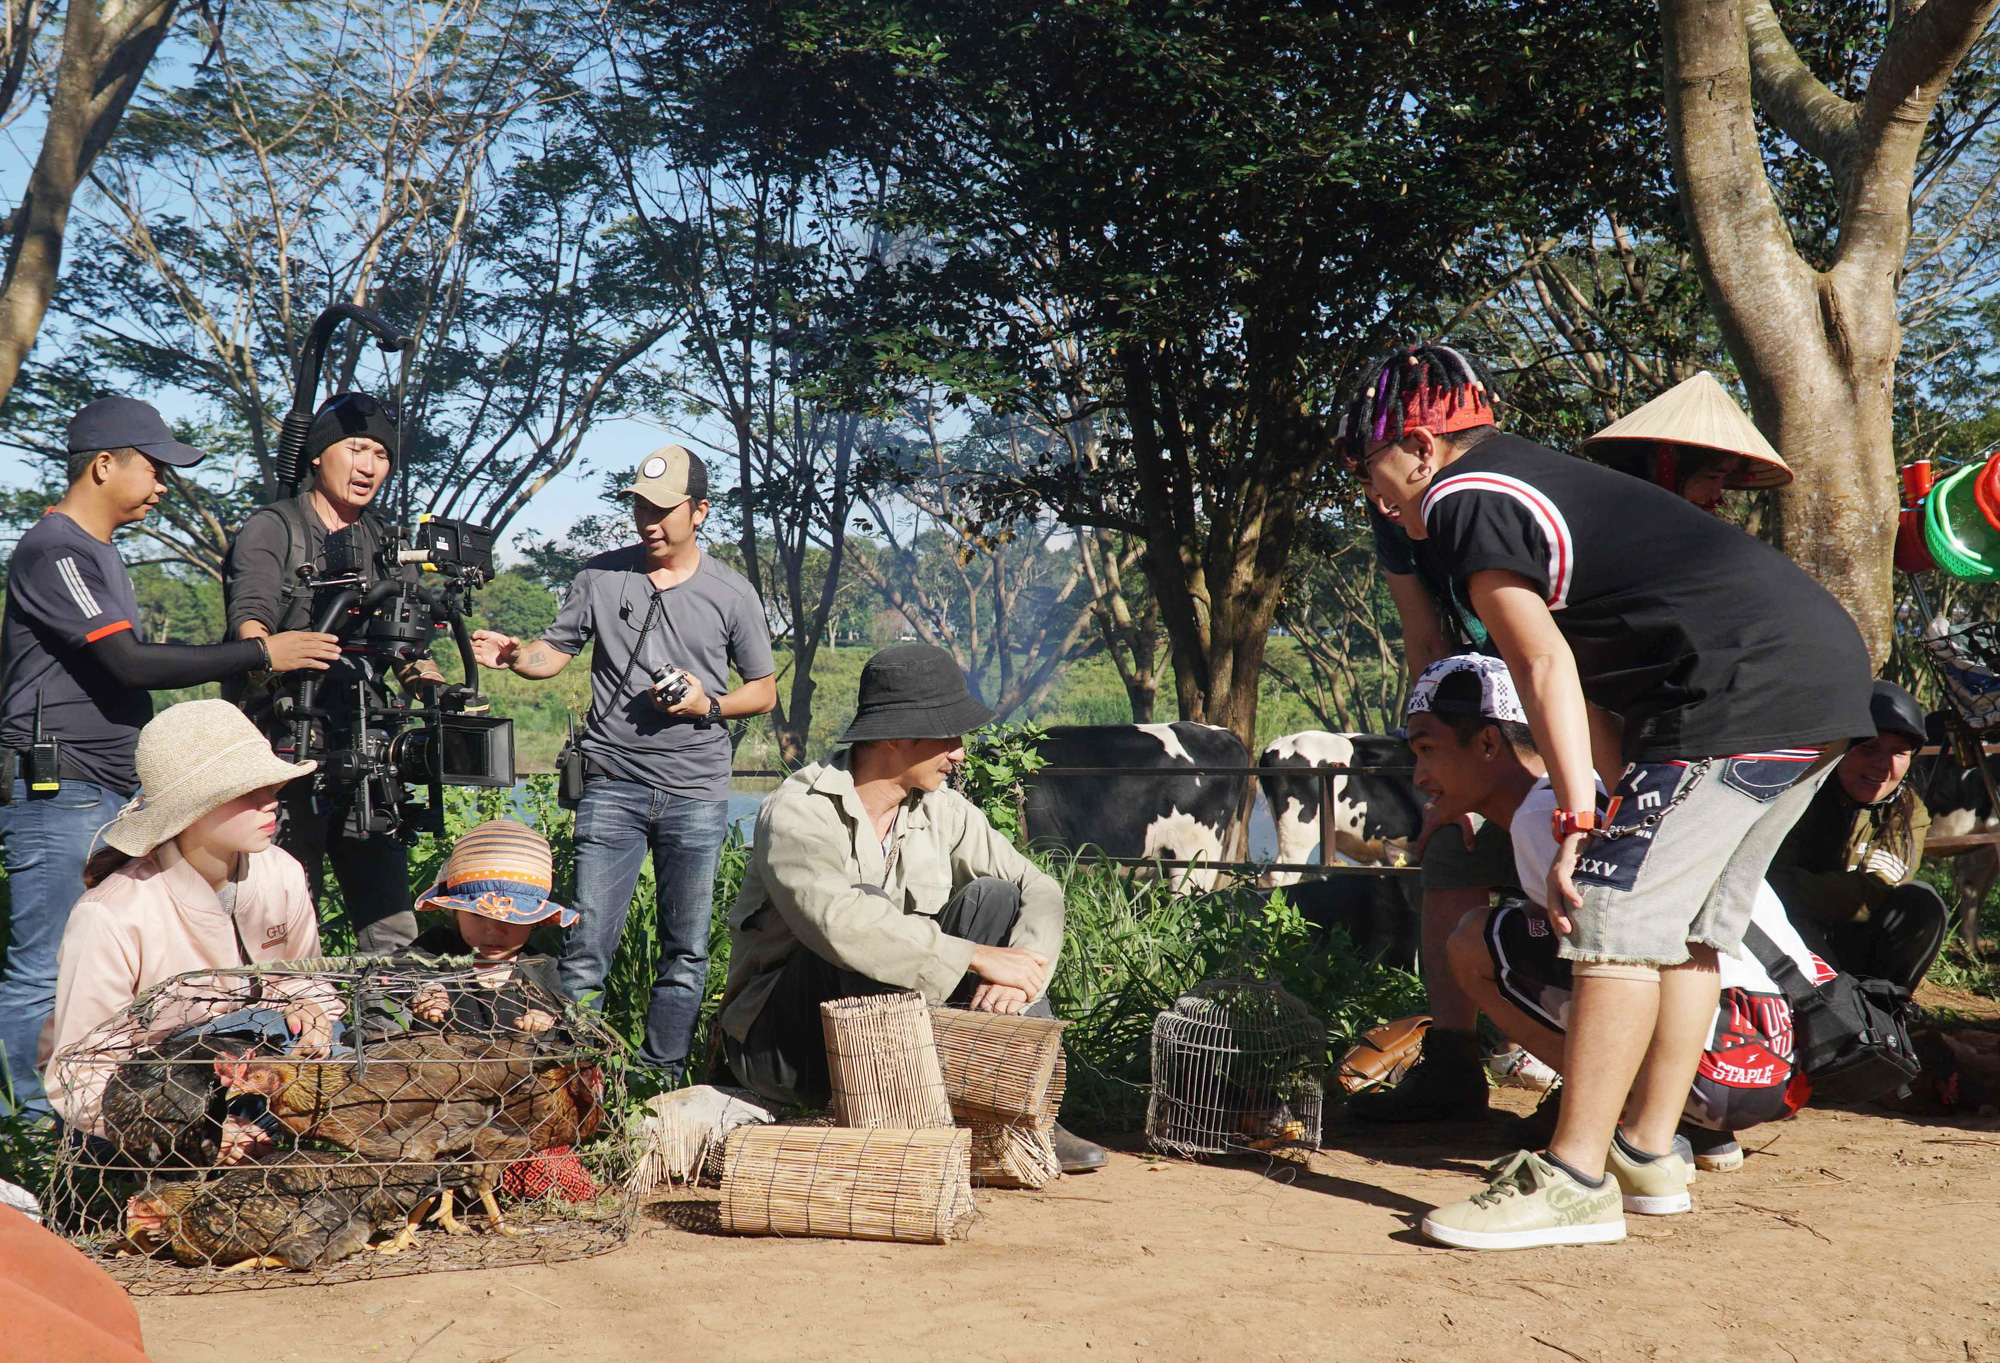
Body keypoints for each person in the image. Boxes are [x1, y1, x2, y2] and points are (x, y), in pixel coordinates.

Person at [1347, 342, 1872, 1250]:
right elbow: (1583, 688)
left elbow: (1538, 663)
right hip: (1810, 683)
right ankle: (1646, 1151)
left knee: (1614, 913)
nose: (1372, 493)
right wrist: (1621, 792)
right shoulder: (1541, 494)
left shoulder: (1463, 497)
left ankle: (1573, 1175)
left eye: (1371, 465)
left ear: (1424, 445)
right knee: (1693, 924)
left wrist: (1580, 815)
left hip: (1740, 693)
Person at [0, 398, 339, 1113]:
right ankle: (36, 1131)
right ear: (103, 464)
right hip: (60, 782)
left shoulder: (98, 554)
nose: (161, 486)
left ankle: (138, 1108)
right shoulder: (54, 548)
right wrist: (260, 650)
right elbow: (127, 661)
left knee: (111, 951)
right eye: (154, 469)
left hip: (108, 784)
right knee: (48, 962)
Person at [1403, 655, 1813, 1196]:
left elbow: (1619, 956)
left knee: (1478, 943)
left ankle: (1636, 1124)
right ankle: (1691, 1124)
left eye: (1427, 750)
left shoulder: (1541, 819)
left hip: (1718, 1056)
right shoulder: (1607, 786)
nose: (1418, 776)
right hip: (1772, 1054)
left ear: (1486, 743)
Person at [720, 642, 1105, 1172]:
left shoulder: (941, 809)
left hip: (892, 1025)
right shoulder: (796, 811)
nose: (960, 752)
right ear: (896, 736)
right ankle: (903, 1112)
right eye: (947, 735)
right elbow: (839, 925)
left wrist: (1020, 971)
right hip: (785, 1047)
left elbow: (1038, 886)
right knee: (867, 910)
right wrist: (974, 956)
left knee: (998, 896)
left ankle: (1027, 1112)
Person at [471, 446, 776, 1086]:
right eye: (640, 506)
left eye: (664, 510)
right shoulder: (600, 577)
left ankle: (656, 1082)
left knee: (686, 952)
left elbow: (764, 690)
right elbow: (551, 655)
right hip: (611, 783)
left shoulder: (731, 593)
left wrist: (708, 703)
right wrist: (513, 655)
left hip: (696, 791)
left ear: (700, 511)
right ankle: (575, 1084)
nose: (649, 522)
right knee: (586, 950)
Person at [39, 699, 332, 1156]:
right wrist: (193, 1131)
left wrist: (312, 1011)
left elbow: (304, 980)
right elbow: (81, 1070)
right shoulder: (112, 913)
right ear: (188, 809)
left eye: (270, 784)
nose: (270, 800)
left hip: (255, 1083)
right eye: (245, 790)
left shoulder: (282, 873)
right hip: (140, 1115)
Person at [223, 391, 438, 954]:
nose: (369, 466)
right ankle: (290, 1030)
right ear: (319, 455)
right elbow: (250, 621)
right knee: (284, 912)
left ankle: (388, 1032)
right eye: (356, 448)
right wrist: (274, 654)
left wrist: (433, 685)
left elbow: (408, 640)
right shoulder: (275, 527)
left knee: (391, 925)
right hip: (282, 749)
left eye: (382, 455)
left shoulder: (383, 538)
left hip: (366, 749)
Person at [1766, 680, 1947, 992]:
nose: (1882, 764)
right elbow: (1774, 889)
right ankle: (1830, 1006)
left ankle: (1881, 1008)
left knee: (1921, 904)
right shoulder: (1796, 796)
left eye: (1899, 752)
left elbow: (1881, 890)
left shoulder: (1908, 812)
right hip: (1790, 938)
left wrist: (1820, 887)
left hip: (1857, 944)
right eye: (1868, 748)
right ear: (1841, 748)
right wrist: (1858, 887)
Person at [394, 818, 576, 1037]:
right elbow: (394, 966)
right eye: (477, 915)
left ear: (534, 920)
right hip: (438, 1064)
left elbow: (557, 1011)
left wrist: (543, 1019)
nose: (494, 931)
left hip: (513, 1066)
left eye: (510, 919)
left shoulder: (539, 966)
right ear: (456, 914)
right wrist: (425, 986)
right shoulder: (437, 948)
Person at [1583, 371, 1795, 513]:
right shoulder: (1608, 513)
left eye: (1725, 479)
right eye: (1712, 476)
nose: (1716, 495)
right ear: (1667, 461)